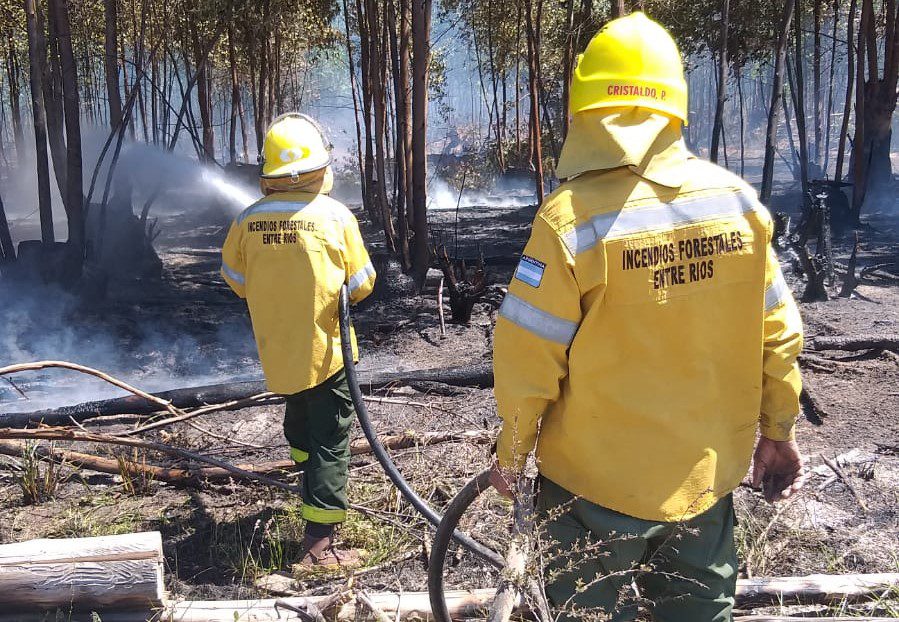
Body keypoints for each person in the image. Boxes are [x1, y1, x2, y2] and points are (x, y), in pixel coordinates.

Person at [489, 12, 805, 622]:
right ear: (674, 107)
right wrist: (778, 429)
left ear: (586, 111)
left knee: (582, 611)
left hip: (590, 486)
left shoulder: (570, 220)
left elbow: (528, 352)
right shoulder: (736, 203)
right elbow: (780, 333)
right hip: (704, 481)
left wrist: (512, 450)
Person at [221, 113, 376, 568]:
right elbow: (363, 283)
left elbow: (234, 277)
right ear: (320, 166)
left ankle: (308, 489)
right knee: (331, 439)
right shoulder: (335, 216)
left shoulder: (248, 220)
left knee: (302, 428)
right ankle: (318, 547)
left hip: (279, 353)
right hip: (327, 354)